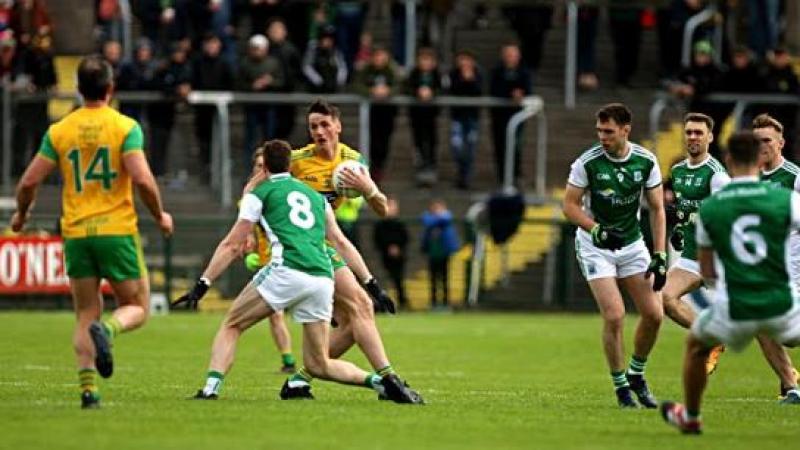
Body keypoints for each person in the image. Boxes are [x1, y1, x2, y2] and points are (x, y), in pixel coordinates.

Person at [175, 140, 418, 404]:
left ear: (264, 168)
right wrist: (372, 285)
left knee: (232, 325)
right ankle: (383, 384)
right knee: (318, 364)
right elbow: (341, 242)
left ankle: (210, 389)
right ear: (291, 165)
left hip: (287, 271)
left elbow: (232, 245)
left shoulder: (259, 194)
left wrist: (203, 284)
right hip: (322, 278)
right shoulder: (317, 197)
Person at [9, 55, 174, 409]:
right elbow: (143, 179)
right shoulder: (124, 127)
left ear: (78, 89)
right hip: (116, 230)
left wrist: (21, 215)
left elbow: (29, 181)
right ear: (110, 88)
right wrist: (160, 215)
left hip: (76, 233)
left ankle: (88, 391)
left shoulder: (60, 131)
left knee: (86, 312)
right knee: (136, 306)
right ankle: (109, 331)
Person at [661, 131, 800, 435]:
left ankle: (691, 417)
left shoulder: (712, 208)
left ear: (728, 160)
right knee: (777, 330)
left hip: (736, 305)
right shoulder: (786, 199)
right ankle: (791, 385)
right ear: (758, 160)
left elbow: (708, 269)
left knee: (696, 347)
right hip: (781, 301)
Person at [563, 103, 666, 408]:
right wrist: (596, 230)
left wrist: (660, 254)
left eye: (608, 132)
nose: (602, 137)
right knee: (615, 315)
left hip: (632, 245)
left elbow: (658, 209)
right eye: (599, 131)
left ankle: (636, 374)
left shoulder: (646, 161)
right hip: (596, 246)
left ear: (625, 130)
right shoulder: (588, 163)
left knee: (654, 314)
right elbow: (569, 206)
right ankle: (621, 388)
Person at [662, 113, 729, 373]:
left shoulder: (717, 175)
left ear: (710, 137)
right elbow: (684, 212)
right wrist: (680, 227)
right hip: (692, 258)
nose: (693, 137)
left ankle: (787, 377)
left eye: (699, 133)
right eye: (689, 132)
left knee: (761, 322)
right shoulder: (677, 171)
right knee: (664, 297)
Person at [242, 146, 296, 374]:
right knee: (275, 314)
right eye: (258, 166)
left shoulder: (283, 193)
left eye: (264, 165)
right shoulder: (251, 197)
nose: (261, 170)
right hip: (269, 262)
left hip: (289, 259)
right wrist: (250, 249)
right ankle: (289, 360)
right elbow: (247, 232)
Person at [421, 198, 460, 309]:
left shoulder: (446, 220)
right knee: (433, 280)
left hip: (444, 253)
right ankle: (433, 303)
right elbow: (426, 220)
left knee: (444, 279)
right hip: (432, 254)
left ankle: (445, 302)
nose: (437, 211)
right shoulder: (429, 222)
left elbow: (445, 219)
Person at [373, 197, 409, 309]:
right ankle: (384, 303)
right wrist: (387, 247)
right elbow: (377, 239)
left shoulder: (400, 224)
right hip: (385, 256)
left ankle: (402, 302)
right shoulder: (380, 225)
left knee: (399, 279)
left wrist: (397, 248)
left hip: (399, 257)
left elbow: (406, 238)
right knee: (385, 279)